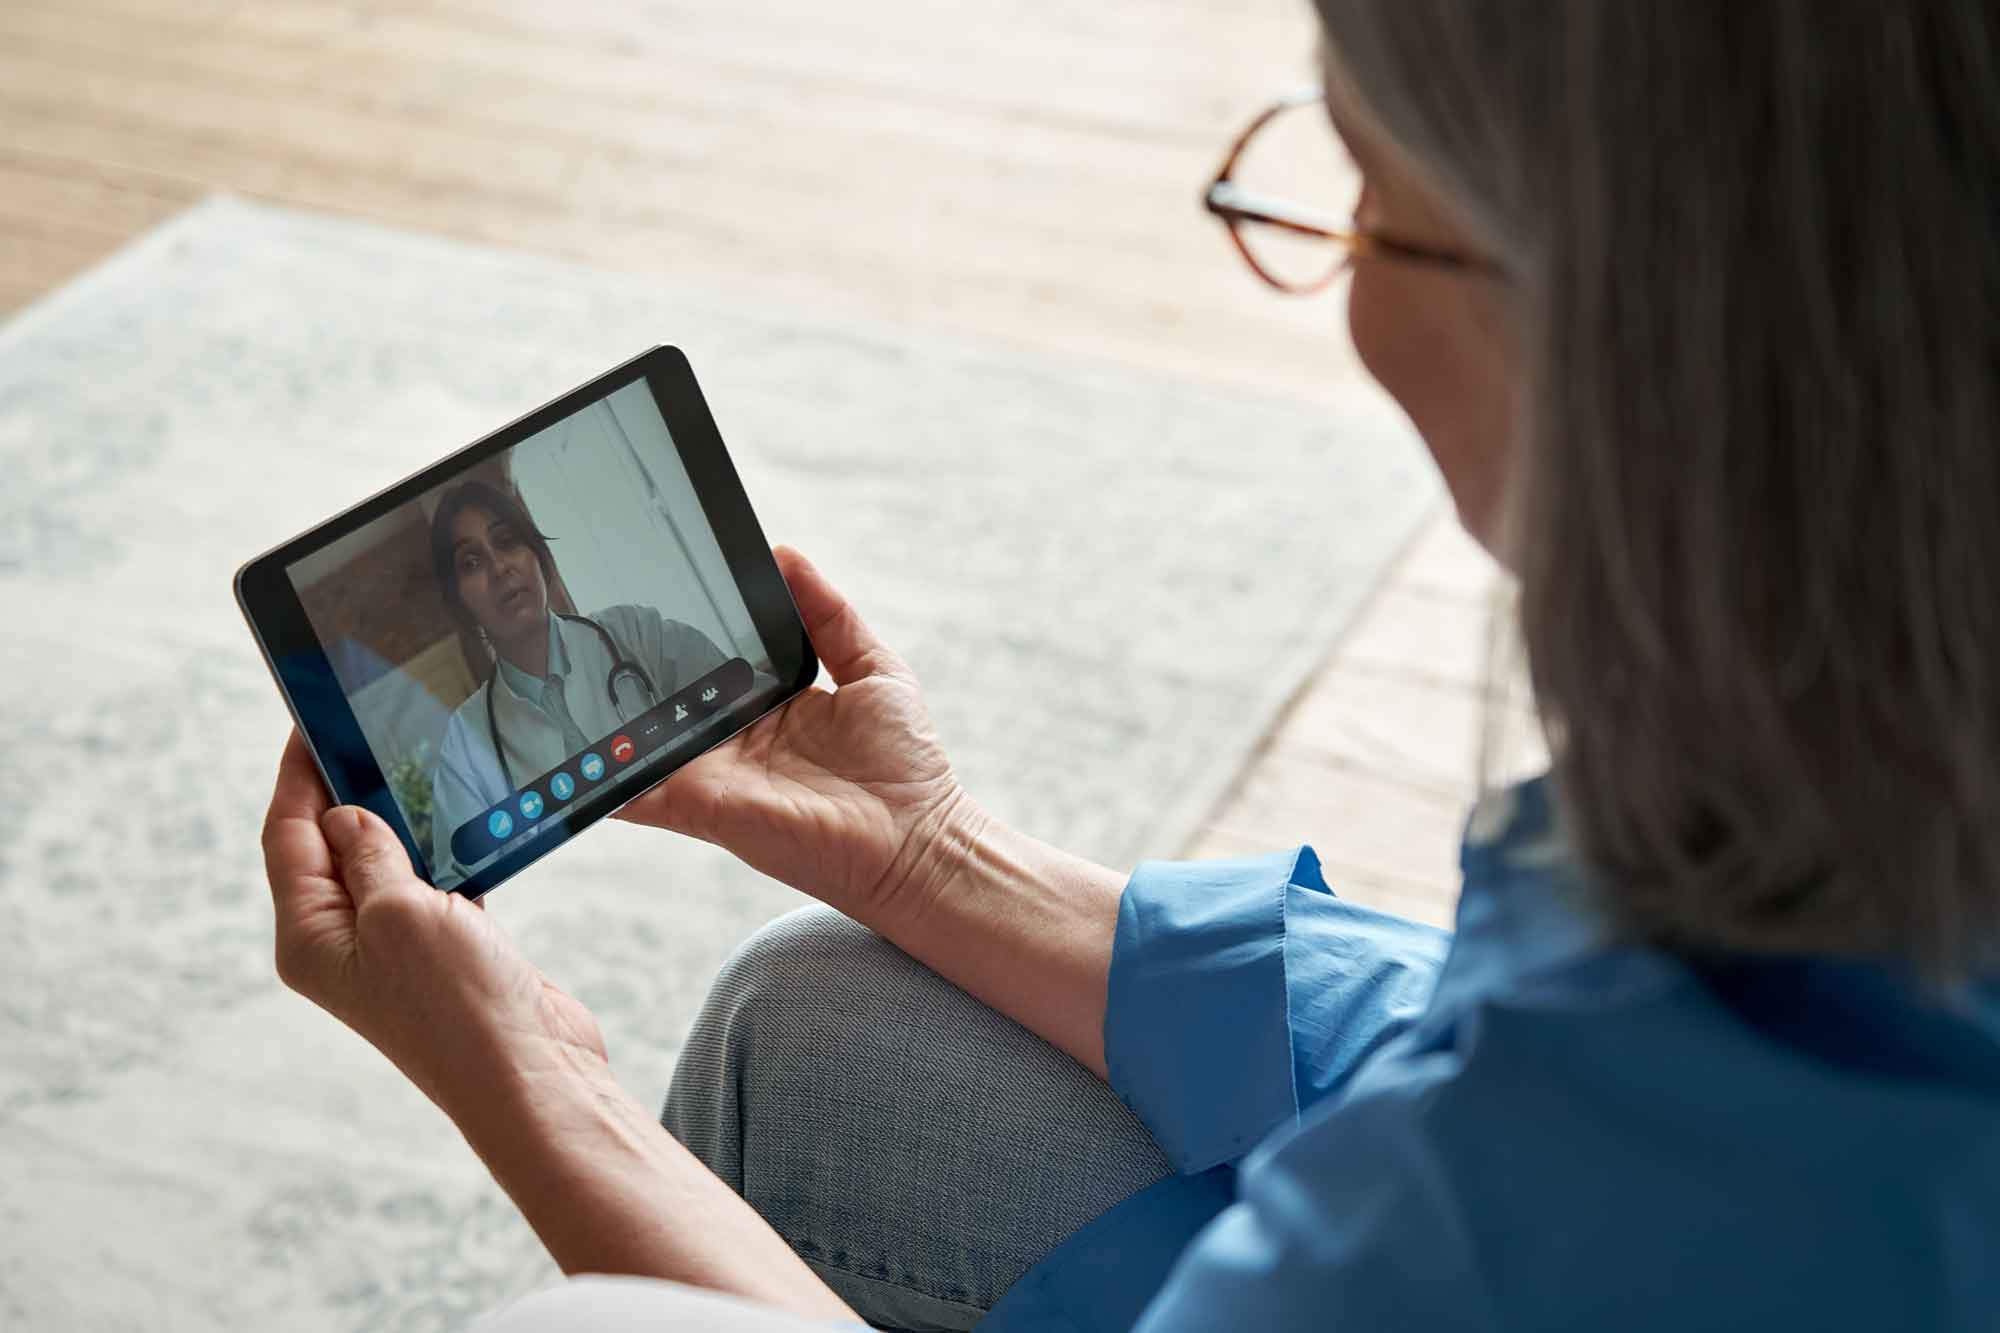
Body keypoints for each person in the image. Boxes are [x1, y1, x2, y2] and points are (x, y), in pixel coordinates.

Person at [260, 4, 2000, 1330]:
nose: (1344, 293)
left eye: (1366, 202)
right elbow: (1477, 1019)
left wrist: (529, 1075)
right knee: (814, 1013)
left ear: (1617, 312)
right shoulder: (1853, 803)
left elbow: (1558, 1122)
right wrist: (926, 851)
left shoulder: (1635, 1168)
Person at [423, 480, 729, 888]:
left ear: (537, 554)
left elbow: (752, 701)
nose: (500, 568)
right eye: (472, 562)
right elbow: (458, 886)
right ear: (459, 599)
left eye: (507, 541)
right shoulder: (465, 743)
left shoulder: (636, 634)